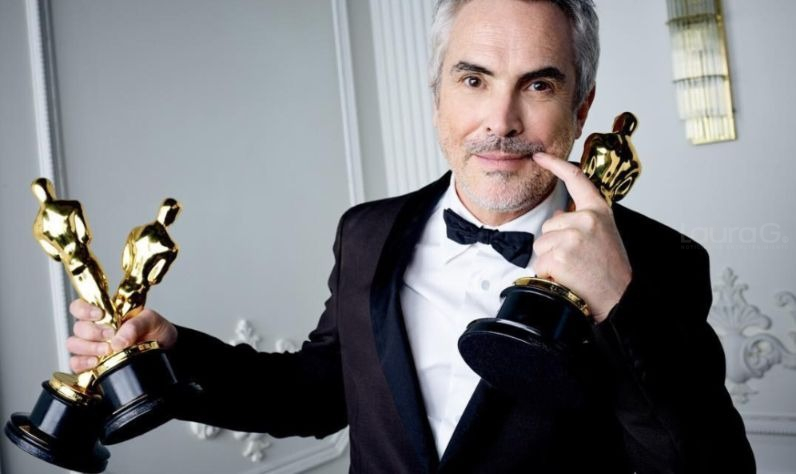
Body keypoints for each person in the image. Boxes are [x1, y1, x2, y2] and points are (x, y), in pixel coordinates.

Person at [67, 0, 755, 472]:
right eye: (474, 79)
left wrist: (619, 303)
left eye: (538, 86)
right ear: (437, 98)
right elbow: (316, 392)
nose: (501, 120)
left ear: (581, 108)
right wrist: (173, 351)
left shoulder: (660, 260)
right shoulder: (367, 232)